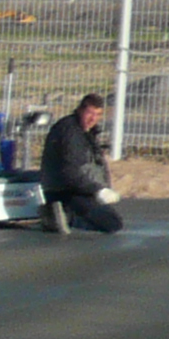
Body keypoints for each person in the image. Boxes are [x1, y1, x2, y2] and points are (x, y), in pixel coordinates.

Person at [37, 92, 124, 235]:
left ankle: (64, 214)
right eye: (90, 113)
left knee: (112, 220)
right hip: (64, 190)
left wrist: (103, 187)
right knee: (112, 224)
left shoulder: (85, 132)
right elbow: (71, 172)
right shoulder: (71, 132)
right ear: (80, 110)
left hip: (80, 189)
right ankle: (62, 216)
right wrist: (97, 190)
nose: (93, 118)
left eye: (97, 114)